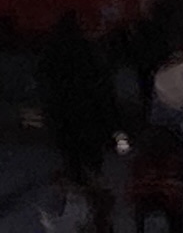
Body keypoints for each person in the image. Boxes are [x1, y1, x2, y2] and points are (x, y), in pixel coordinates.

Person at [38, 12, 122, 233]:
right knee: (93, 172)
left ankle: (76, 217)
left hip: (66, 126)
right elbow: (104, 91)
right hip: (90, 124)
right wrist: (113, 126)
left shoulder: (52, 54)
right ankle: (96, 220)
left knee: (73, 170)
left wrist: (52, 123)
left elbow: (45, 89)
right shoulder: (90, 54)